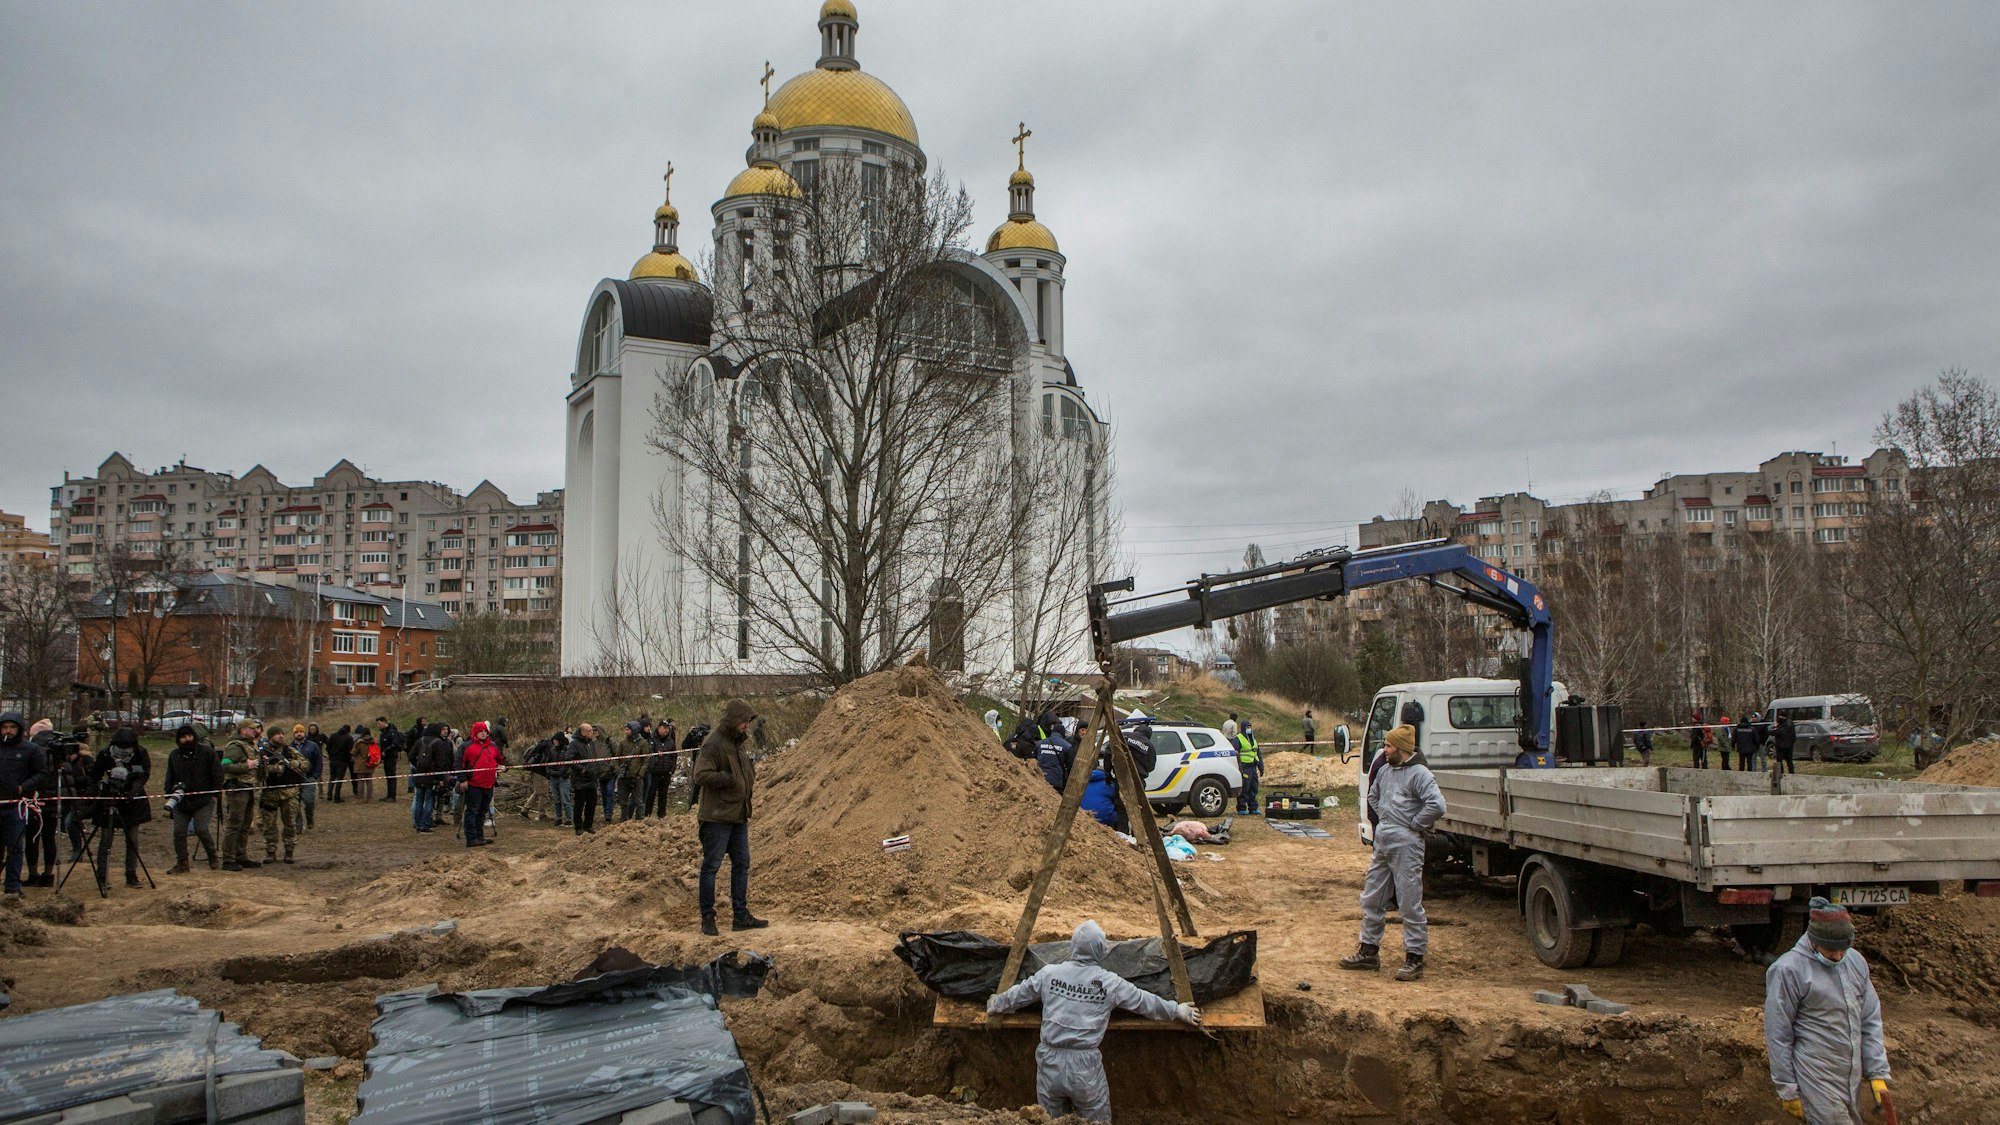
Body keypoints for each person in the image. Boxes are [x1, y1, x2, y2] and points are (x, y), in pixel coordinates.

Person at [985, 919, 1202, 1122]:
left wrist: (996, 1003)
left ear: (1072, 946)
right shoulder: (1109, 983)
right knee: (1096, 1120)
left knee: (1051, 1120)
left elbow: (1018, 995)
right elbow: (1144, 1002)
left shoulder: (1049, 973)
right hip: (1084, 1067)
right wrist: (1177, 1010)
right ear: (1100, 950)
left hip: (1049, 1061)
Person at [1764, 897, 1892, 1124]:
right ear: (1814, 941)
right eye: (1831, 950)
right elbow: (1778, 1033)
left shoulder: (1855, 962)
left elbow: (1870, 1019)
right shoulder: (1788, 970)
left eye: (1844, 949)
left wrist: (1877, 1072)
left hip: (1850, 1076)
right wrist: (1788, 1088)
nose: (1838, 956)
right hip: (1816, 1075)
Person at [1342, 724, 1446, 981]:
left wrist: (1414, 824)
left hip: (1407, 845)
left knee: (1409, 902)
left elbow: (1437, 804)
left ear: (1400, 748)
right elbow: (1374, 796)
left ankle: (1414, 958)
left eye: (1388, 746)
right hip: (1384, 842)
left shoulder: (1420, 774)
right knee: (1372, 897)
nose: (1384, 749)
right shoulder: (1386, 771)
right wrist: (1387, 820)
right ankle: (1368, 951)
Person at [694, 699, 766, 935]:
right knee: (711, 866)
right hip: (717, 817)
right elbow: (701, 774)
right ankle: (707, 917)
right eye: (745, 721)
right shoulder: (713, 743)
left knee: (742, 864)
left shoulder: (737, 743)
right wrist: (729, 779)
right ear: (734, 720)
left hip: (738, 815)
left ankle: (740, 915)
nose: (747, 725)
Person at [90, 726, 153, 888]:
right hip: (109, 800)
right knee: (106, 840)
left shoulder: (140, 753)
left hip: (132, 802)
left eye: (128, 746)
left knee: (132, 840)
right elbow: (95, 775)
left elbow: (144, 774)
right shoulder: (105, 754)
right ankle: (102, 875)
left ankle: (131, 874)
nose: (124, 750)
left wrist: (133, 790)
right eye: (121, 746)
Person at [0, 711, 51, 896]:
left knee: (15, 847)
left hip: (16, 806)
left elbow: (41, 773)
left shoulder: (30, 749)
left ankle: (13, 886)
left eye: (12, 727)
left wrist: (24, 787)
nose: (8, 731)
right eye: (5, 727)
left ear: (19, 728)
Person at [163, 724, 222, 873]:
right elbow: (169, 775)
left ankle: (212, 855)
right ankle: (182, 863)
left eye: (189, 736)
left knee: (201, 829)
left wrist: (215, 793)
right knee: (179, 832)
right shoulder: (174, 755)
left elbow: (217, 773)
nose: (186, 739)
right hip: (181, 801)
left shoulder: (207, 752)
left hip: (204, 799)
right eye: (183, 737)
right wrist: (169, 793)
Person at [258, 728, 309, 866]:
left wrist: (296, 764)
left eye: (282, 734)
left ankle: (289, 851)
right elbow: (257, 769)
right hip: (269, 793)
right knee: (269, 825)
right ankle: (270, 851)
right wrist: (273, 768)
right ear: (270, 737)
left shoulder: (290, 750)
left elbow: (306, 764)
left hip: (289, 793)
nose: (281, 736)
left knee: (290, 823)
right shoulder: (261, 752)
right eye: (277, 734)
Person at [218, 719, 263, 870]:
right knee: (235, 823)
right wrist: (246, 766)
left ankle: (241, 855)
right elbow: (225, 765)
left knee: (245, 824)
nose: (255, 731)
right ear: (243, 730)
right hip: (237, 789)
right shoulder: (235, 746)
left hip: (249, 788)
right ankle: (229, 859)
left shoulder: (250, 745)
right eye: (252, 729)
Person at [457, 720, 504, 848]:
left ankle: (480, 836)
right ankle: (471, 838)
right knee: (472, 811)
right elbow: (458, 764)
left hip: (489, 784)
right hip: (473, 784)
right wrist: (462, 779)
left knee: (482, 811)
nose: (483, 734)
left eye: (485, 731)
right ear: (475, 733)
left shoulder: (493, 746)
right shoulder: (466, 746)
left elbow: (501, 759)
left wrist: (503, 767)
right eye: (480, 732)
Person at [569, 723, 604, 834]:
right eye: (589, 731)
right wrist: (581, 770)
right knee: (579, 804)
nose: (592, 733)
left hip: (592, 779)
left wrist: (597, 770)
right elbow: (569, 759)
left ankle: (588, 825)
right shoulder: (574, 744)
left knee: (592, 803)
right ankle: (578, 826)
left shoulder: (591, 744)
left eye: (592, 731)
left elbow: (594, 758)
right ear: (583, 732)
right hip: (580, 780)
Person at [291, 724, 322, 833]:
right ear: (294, 734)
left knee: (308, 801)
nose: (299, 734)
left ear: (304, 733)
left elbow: (319, 761)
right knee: (295, 804)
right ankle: (298, 826)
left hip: (309, 778)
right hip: (294, 780)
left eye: (301, 732)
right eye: (296, 732)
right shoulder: (289, 747)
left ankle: (310, 819)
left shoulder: (312, 746)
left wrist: (315, 776)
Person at [644, 720, 677, 818]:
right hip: (654, 772)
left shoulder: (671, 741)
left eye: (667, 728)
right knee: (651, 795)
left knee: (663, 795)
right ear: (659, 728)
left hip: (666, 772)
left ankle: (661, 815)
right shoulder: (652, 739)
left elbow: (674, 756)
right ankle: (647, 814)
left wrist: (672, 768)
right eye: (664, 728)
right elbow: (648, 755)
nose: (666, 730)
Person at [618, 721, 649, 822]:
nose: (625, 732)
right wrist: (618, 771)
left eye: (628, 729)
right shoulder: (623, 743)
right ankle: (624, 821)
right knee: (623, 802)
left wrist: (640, 774)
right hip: (624, 777)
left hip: (637, 777)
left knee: (639, 801)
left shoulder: (643, 743)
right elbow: (617, 758)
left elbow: (645, 760)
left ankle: (640, 822)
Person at [1035, 723, 1077, 793]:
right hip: (1056, 781)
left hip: (1039, 779)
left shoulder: (1039, 744)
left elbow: (1033, 761)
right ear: (1063, 733)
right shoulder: (1067, 746)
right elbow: (1071, 767)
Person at [1233, 720, 1263, 815]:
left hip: (1253, 766)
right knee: (1245, 788)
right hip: (1244, 767)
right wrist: (1239, 767)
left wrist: (1261, 766)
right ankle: (1241, 808)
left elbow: (1257, 753)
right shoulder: (1238, 739)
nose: (1249, 729)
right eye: (1247, 727)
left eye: (1250, 727)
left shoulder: (1253, 739)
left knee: (1254, 787)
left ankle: (1253, 807)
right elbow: (1235, 753)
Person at [376, 717, 404, 801]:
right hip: (386, 757)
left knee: (391, 776)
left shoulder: (391, 732)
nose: (378, 725)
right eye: (377, 724)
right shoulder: (383, 733)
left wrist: (386, 751)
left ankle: (392, 796)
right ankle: (389, 795)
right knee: (388, 776)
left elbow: (395, 744)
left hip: (391, 757)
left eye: (379, 723)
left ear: (385, 722)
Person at [325, 724, 354, 801]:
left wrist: (330, 755)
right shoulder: (349, 738)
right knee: (339, 779)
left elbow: (328, 747)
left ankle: (329, 794)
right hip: (343, 761)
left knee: (332, 777)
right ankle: (337, 796)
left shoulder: (333, 735)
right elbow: (349, 750)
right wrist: (348, 759)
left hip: (333, 760)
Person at [350, 728, 379, 802]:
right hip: (371, 763)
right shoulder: (373, 741)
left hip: (360, 764)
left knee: (361, 781)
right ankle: (369, 797)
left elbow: (353, 752)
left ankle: (360, 797)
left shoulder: (359, 742)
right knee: (369, 781)